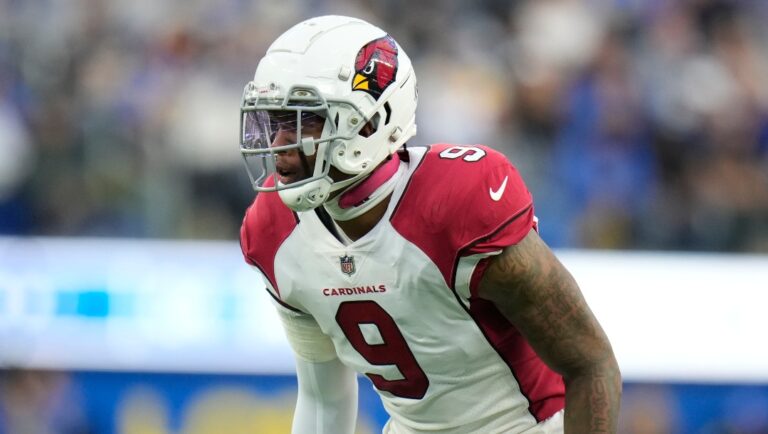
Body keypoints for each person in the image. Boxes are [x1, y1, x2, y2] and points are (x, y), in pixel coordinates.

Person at [238, 15, 621, 434]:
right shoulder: (273, 229)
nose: (280, 145)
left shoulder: (456, 204)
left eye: (304, 119)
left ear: (369, 121)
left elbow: (590, 364)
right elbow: (322, 399)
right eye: (275, 120)